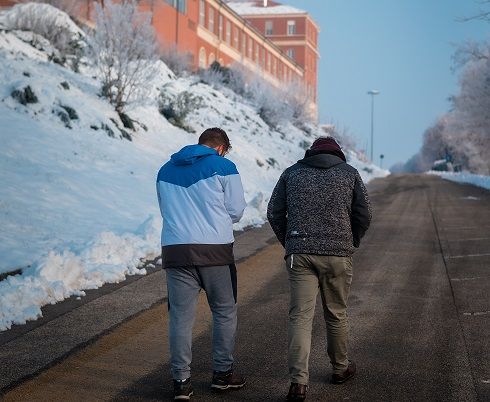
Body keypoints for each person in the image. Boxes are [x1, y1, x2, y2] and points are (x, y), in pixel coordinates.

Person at [267, 137, 371, 401]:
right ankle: (340, 369)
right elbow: (364, 214)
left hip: (300, 253)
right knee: (336, 313)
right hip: (338, 254)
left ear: (310, 153)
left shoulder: (292, 173)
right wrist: (351, 241)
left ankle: (298, 383)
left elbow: (273, 211)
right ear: (339, 154)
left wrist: (289, 242)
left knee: (300, 317)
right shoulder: (350, 174)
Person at [156, 127, 247, 400]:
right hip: (215, 252)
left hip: (176, 251)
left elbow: (166, 209)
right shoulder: (224, 166)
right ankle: (222, 375)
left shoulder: (164, 170)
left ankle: (181, 381)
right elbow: (237, 210)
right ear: (220, 147)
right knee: (224, 311)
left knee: (180, 319)